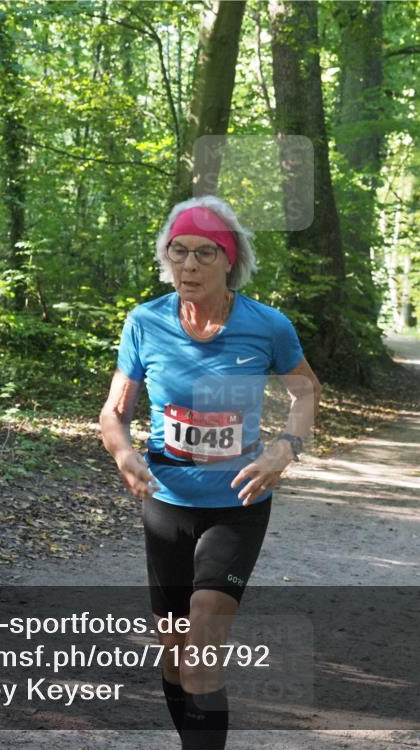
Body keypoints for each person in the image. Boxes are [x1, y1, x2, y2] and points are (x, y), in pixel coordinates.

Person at [99, 195, 321, 749]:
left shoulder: (266, 327)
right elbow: (115, 411)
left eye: (204, 253)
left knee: (201, 647)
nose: (190, 265)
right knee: (175, 657)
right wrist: (125, 455)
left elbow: (306, 392)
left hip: (237, 506)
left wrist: (285, 448)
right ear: (167, 258)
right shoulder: (145, 322)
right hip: (167, 505)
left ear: (229, 260)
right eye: (179, 252)